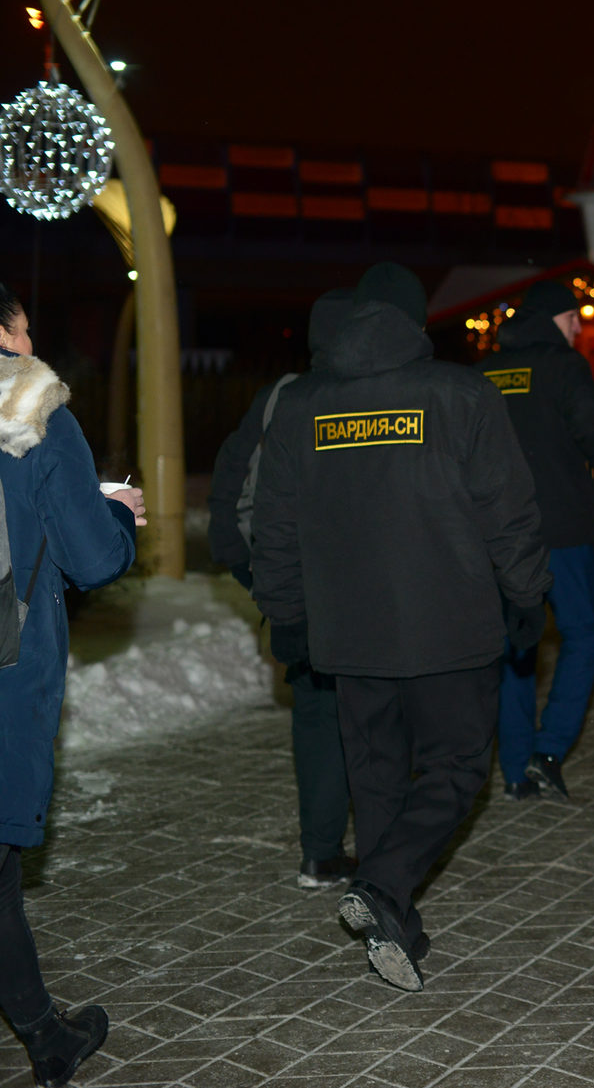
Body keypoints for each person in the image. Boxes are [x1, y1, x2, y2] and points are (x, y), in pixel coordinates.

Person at [252, 264, 550, 991]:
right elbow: (507, 512)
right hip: (451, 628)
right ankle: (384, 886)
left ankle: (397, 925)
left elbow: (275, 525)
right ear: (416, 322)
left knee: (378, 778)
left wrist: (286, 614)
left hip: (352, 636)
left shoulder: (304, 406)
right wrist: (526, 596)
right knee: (453, 770)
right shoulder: (461, 395)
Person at [0, 282, 143, 1086]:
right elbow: (91, 556)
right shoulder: (35, 406)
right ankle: (45, 1035)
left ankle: (43, 1032)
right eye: (24, 327)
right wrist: (115, 512)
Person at [208, 290, 356, 889]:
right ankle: (385, 861)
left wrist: (259, 578)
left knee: (319, 716)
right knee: (376, 719)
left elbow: (229, 488)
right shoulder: (374, 396)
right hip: (363, 594)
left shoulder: (279, 396)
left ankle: (321, 852)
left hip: (297, 592)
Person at [474, 281, 594, 801]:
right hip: (562, 531)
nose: (578, 327)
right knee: (581, 636)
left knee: (517, 643)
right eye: (572, 317)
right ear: (550, 319)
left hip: (499, 534)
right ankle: (549, 748)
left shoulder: (486, 372)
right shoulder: (564, 366)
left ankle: (515, 771)